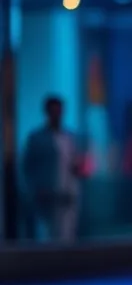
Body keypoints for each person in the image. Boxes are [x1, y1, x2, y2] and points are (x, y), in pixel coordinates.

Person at [21, 95, 85, 242]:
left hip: (68, 195)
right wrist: (36, 188)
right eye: (53, 111)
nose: (57, 115)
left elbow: (76, 164)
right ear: (47, 113)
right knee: (47, 237)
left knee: (68, 235)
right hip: (47, 196)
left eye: (59, 111)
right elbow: (28, 167)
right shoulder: (37, 138)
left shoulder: (70, 138)